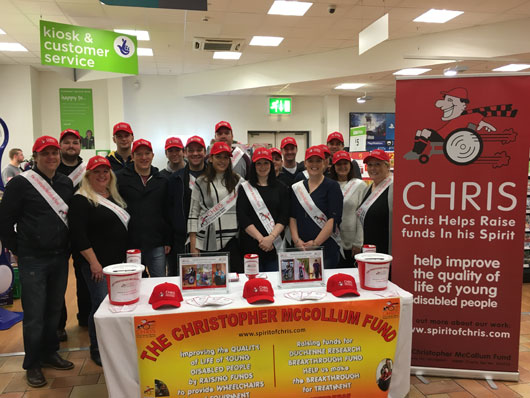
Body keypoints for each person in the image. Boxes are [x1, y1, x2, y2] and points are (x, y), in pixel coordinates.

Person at [0, 136, 74, 388]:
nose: (52, 157)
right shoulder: (20, 184)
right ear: (35, 156)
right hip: (33, 259)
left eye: (55, 153)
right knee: (34, 314)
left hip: (59, 257)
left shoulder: (65, 183)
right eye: (46, 154)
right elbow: (5, 220)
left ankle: (49, 353)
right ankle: (32, 363)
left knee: (54, 309)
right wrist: (17, 248)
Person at [68, 156, 129, 367]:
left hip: (119, 264)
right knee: (101, 307)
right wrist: (94, 263)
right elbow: (78, 236)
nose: (102, 175)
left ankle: (115, 345)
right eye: (97, 172)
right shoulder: (81, 199)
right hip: (98, 266)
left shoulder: (113, 196)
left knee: (118, 307)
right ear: (88, 175)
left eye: (105, 171)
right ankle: (96, 348)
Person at [116, 139, 171, 277]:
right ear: (132, 156)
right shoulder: (119, 178)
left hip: (157, 244)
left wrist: (167, 240)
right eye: (139, 154)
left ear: (152, 155)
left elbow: (167, 211)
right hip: (131, 244)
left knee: (159, 282)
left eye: (147, 153)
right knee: (135, 283)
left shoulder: (162, 180)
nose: (144, 157)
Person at [188, 141, 243, 273]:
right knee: (210, 280)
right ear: (211, 158)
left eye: (225, 157)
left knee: (234, 279)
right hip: (209, 240)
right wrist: (193, 243)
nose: (222, 161)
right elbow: (193, 213)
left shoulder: (238, 181)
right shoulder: (201, 182)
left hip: (233, 240)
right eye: (218, 157)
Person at [56, 129, 90, 341]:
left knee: (84, 276)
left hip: (82, 231)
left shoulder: (87, 170)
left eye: (75, 142)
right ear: (60, 145)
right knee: (58, 281)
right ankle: (59, 325)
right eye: (67, 142)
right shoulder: (51, 168)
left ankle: (85, 317)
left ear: (80, 145)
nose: (71, 146)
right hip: (57, 232)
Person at [236, 148, 289, 272]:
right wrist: (261, 239)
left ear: (271, 164)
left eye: (266, 163)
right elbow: (243, 216)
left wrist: (271, 238)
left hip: (274, 246)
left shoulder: (281, 188)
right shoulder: (245, 188)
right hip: (251, 247)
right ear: (253, 166)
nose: (262, 166)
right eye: (258, 163)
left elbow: (284, 216)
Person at [290, 146, 343, 268]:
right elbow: (292, 216)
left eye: (318, 161)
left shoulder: (333, 186)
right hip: (301, 248)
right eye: (311, 161)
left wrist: (315, 243)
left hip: (326, 248)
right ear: (305, 163)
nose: (314, 164)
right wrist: (297, 240)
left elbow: (333, 219)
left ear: (324, 163)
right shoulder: (297, 187)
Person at [167, 135, 207, 276]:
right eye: (191, 150)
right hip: (180, 240)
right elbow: (168, 210)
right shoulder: (174, 179)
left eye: (199, 150)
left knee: (207, 279)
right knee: (183, 280)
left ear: (205, 152)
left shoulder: (214, 176)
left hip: (208, 239)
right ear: (185, 152)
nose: (195, 153)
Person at [329, 150, 367, 267]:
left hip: (352, 242)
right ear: (334, 167)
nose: (342, 167)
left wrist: (358, 242)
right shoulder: (328, 185)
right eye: (339, 164)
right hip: (332, 239)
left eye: (345, 163)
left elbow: (362, 215)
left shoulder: (360, 185)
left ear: (350, 165)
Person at [358, 149, 393, 256]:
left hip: (386, 247)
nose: (373, 168)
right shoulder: (367, 189)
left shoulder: (394, 188)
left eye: (378, 164)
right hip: (369, 247)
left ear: (387, 166)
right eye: (370, 164)